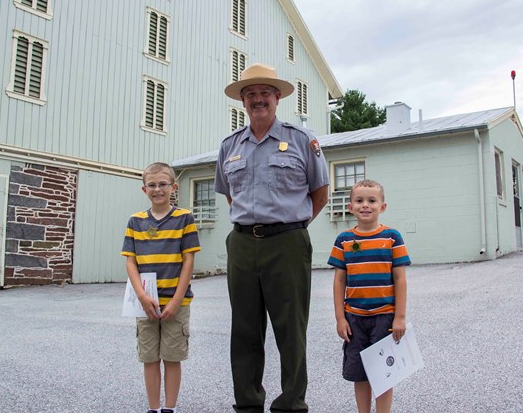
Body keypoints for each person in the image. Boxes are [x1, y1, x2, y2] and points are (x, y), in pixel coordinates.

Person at [214, 63, 329, 412]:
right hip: (242, 243)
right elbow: (231, 196)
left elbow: (319, 193)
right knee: (245, 330)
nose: (258, 99)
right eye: (250, 94)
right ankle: (247, 404)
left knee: (290, 329)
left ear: (277, 97)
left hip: (287, 243)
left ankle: (291, 404)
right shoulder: (229, 146)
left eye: (265, 93)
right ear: (243, 101)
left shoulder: (301, 140)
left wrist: (288, 228)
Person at [121, 162, 201, 413]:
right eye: (152, 185)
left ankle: (170, 408)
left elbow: (188, 260)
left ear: (173, 187)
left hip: (176, 302)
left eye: (163, 184)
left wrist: (177, 300)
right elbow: (130, 261)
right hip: (146, 303)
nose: (158, 189)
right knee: (149, 357)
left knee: (172, 357)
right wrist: (142, 296)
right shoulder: (135, 221)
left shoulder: (184, 218)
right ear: (144, 189)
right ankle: (153, 408)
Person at [328, 180, 411, 413]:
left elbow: (400, 280)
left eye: (372, 201)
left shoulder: (392, 237)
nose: (366, 205)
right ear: (350, 207)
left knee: (384, 373)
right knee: (360, 374)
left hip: (385, 318)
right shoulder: (343, 241)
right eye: (359, 200)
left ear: (382, 206)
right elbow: (339, 281)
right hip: (354, 319)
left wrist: (400, 317)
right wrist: (340, 318)